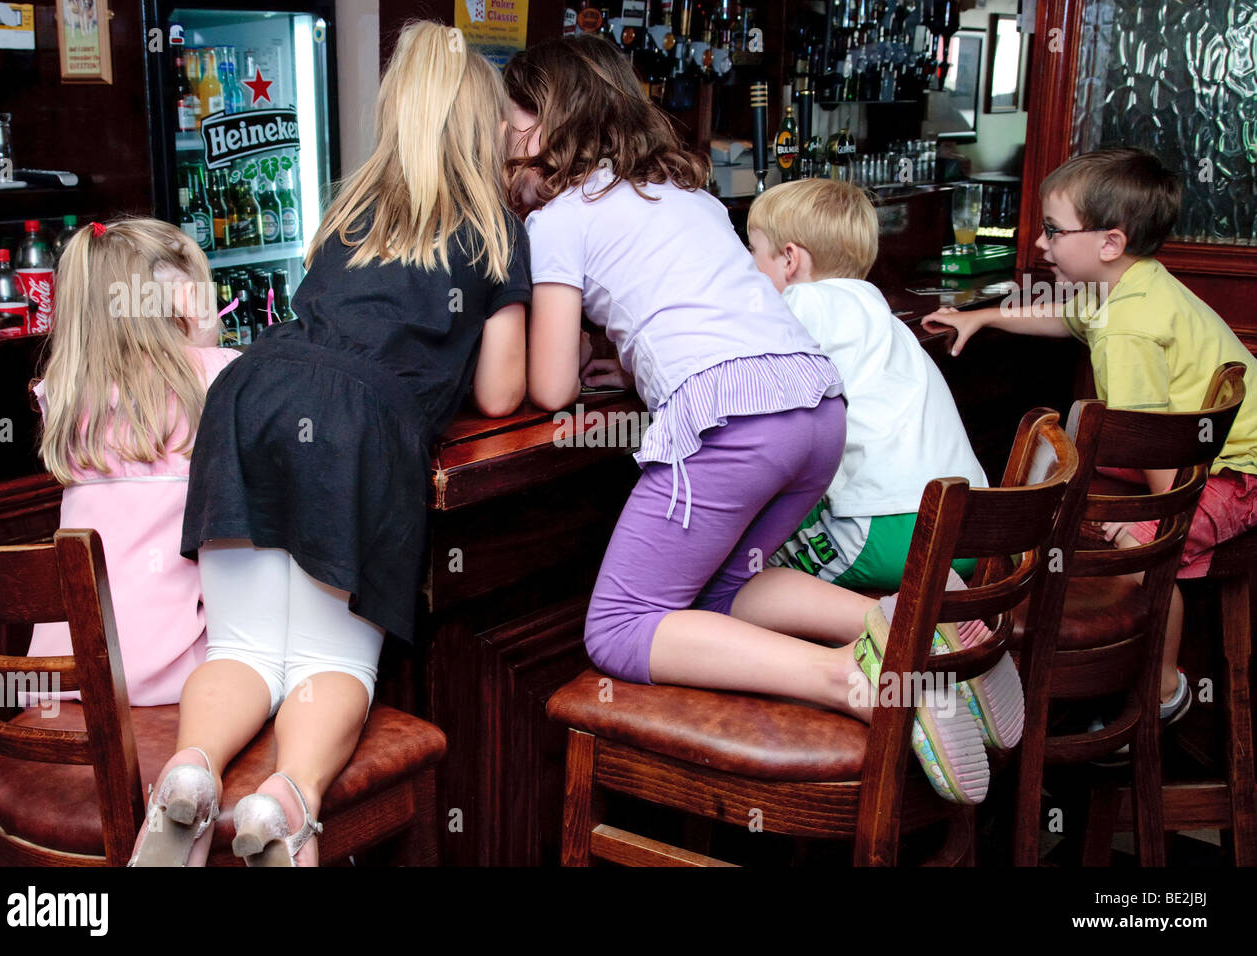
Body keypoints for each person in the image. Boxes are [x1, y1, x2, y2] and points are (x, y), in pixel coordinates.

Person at [506, 34, 1013, 806]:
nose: (499, 132)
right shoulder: (694, 200)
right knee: (723, 594)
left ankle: (850, 679)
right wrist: (637, 367)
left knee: (619, 625)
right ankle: (913, 631)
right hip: (813, 412)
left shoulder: (560, 219)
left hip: (735, 428)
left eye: (507, 115)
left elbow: (546, 385)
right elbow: (714, 320)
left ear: (540, 125)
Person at [128, 21, 530, 867]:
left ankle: (192, 775)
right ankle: (290, 800)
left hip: (250, 394)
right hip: (357, 427)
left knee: (241, 648)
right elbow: (501, 389)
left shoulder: (351, 206)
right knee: (325, 659)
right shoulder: (493, 223)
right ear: (479, 123)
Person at [923, 147, 1257, 733]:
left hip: (1233, 471)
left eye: (1054, 231)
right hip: (1203, 455)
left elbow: (1160, 447)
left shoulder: (1129, 328)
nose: (1040, 244)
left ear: (1109, 242)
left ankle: (1160, 691)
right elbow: (1063, 318)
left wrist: (1156, 520)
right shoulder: (1127, 288)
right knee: (1064, 497)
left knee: (1142, 551)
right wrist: (986, 317)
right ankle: (1057, 671)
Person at [29, 218, 236, 708]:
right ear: (186, 305)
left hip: (63, 679)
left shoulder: (62, 394)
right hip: (174, 679)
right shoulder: (217, 375)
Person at [747, 178, 988, 592]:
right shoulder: (887, 320)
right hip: (968, 528)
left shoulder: (803, 303)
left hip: (887, 534)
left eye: (752, 256)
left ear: (790, 259)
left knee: (746, 581)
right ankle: (939, 612)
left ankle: (920, 633)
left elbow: (740, 376)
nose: (747, 272)